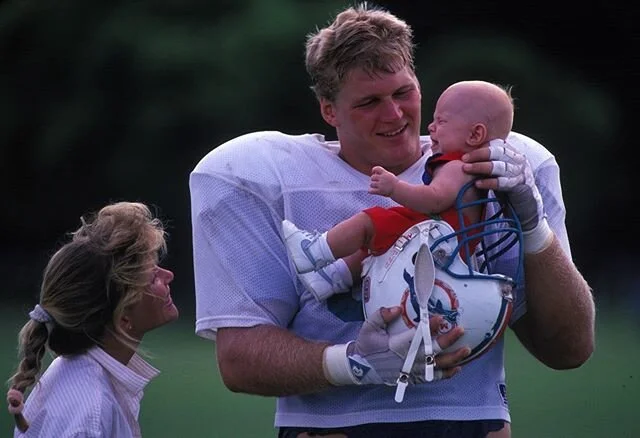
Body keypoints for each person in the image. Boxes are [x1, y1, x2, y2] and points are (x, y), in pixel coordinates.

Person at [188, 3, 595, 437]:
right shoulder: (265, 174)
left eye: (403, 93)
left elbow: (569, 348)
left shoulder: (495, 166)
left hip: (470, 422)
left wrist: (534, 224)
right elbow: (239, 360)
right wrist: (354, 363)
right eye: (369, 102)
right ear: (329, 110)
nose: (395, 115)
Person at [282, 80, 514, 301]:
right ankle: (333, 278)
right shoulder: (472, 168)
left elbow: (434, 200)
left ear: (475, 135)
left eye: (441, 122)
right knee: (377, 243)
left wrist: (395, 188)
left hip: (437, 238)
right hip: (440, 236)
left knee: (367, 222)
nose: (431, 127)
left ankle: (315, 251)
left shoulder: (457, 166)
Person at [6, 202, 178, 438]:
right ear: (122, 317)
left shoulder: (81, 378)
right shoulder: (90, 415)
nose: (168, 275)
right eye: (151, 278)